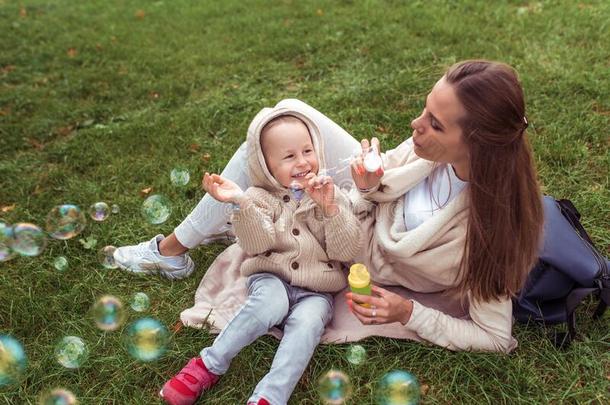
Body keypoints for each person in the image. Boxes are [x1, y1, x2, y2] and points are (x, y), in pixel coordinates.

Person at [116, 59, 544, 353]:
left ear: (477, 146)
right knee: (286, 114)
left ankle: (241, 220)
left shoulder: (493, 231)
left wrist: (410, 312)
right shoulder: (425, 149)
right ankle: (180, 247)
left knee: (287, 149)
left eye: (434, 123)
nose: (415, 126)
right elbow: (382, 184)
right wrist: (370, 182)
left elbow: (494, 337)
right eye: (424, 110)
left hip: (351, 246)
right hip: (348, 205)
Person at [159, 109, 362, 405]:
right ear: (266, 166)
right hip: (272, 277)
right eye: (289, 156)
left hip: (318, 290)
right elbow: (256, 243)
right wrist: (241, 203)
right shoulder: (258, 197)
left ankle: (269, 397)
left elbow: (345, 251)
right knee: (270, 302)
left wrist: (330, 210)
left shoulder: (330, 196)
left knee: (307, 326)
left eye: (307, 151)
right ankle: (208, 364)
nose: (303, 161)